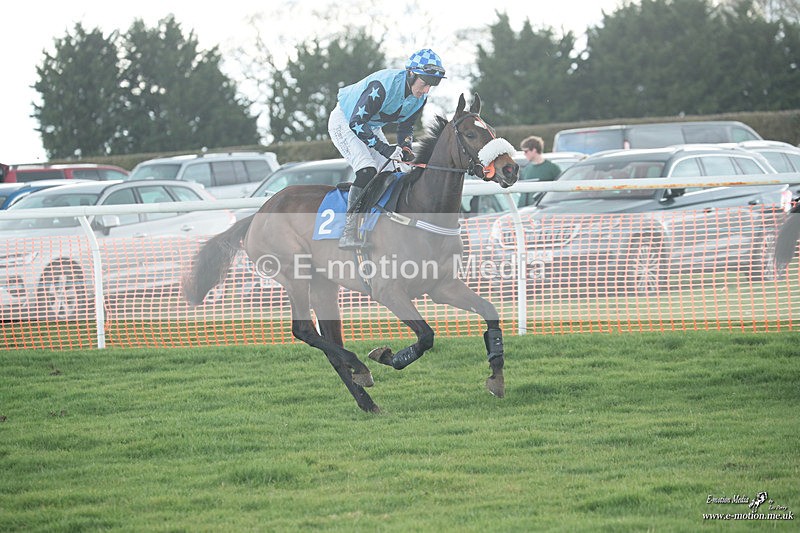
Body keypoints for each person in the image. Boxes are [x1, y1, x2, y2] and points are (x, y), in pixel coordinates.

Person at [328, 48, 446, 249]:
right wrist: (384, 148)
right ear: (411, 74)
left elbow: (406, 127)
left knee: (392, 173)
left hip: (370, 126)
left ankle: (379, 226)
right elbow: (356, 123)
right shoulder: (382, 86)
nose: (427, 90)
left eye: (432, 85)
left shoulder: (420, 98)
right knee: (367, 170)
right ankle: (349, 231)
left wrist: (406, 148)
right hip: (345, 121)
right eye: (425, 83)